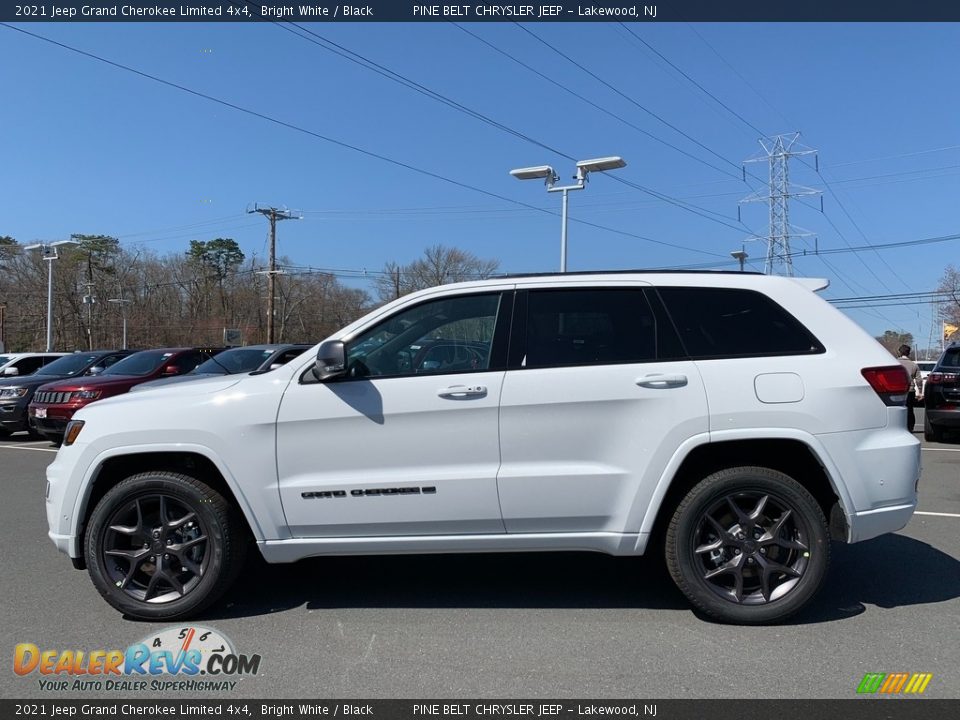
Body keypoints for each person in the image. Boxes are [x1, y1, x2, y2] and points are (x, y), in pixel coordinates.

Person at [896, 344, 923, 432]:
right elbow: (919, 380)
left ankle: (897, 427)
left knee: (896, 410)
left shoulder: (894, 363)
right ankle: (910, 428)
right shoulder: (913, 365)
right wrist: (920, 391)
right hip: (909, 390)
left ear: (899, 352)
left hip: (896, 390)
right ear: (909, 353)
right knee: (909, 410)